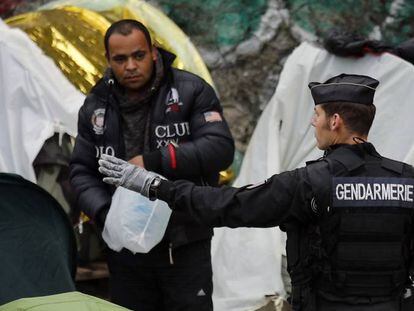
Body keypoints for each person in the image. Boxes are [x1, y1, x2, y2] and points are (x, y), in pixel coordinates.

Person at [98, 73, 414, 311]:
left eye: (316, 114)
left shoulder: (310, 182)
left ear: (334, 121)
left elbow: (228, 205)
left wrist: (154, 186)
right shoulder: (406, 180)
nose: (312, 121)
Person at [70, 19, 234, 311]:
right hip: (125, 248)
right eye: (120, 59)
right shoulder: (96, 104)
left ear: (154, 52)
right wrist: (106, 214)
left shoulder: (190, 90)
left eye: (138, 55)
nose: (130, 66)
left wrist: (152, 161)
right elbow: (81, 171)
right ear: (108, 60)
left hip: (183, 240)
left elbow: (219, 149)